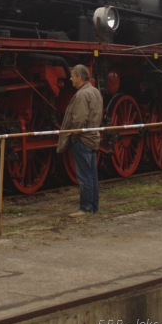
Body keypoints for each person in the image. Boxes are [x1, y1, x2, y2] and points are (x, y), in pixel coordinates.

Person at [56, 64, 103, 216]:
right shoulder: (95, 92)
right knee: (92, 175)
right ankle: (94, 206)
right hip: (93, 136)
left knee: (84, 176)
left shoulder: (82, 95)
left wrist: (74, 136)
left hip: (83, 139)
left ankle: (85, 208)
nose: (70, 79)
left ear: (80, 77)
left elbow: (79, 120)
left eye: (73, 76)